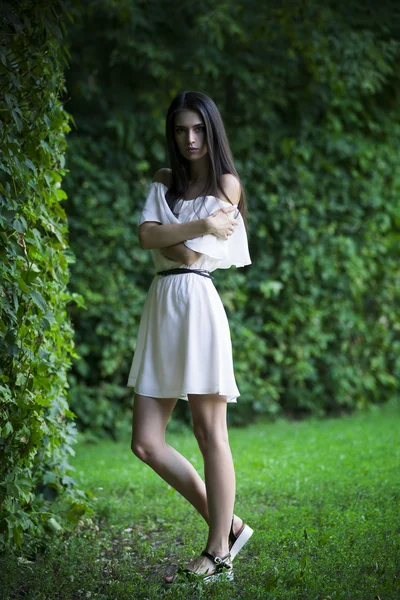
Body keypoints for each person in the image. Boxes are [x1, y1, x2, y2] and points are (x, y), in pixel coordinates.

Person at [127, 90, 253, 583]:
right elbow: (145, 238)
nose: (190, 139)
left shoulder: (227, 183)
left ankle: (218, 547)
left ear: (211, 130)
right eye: (180, 130)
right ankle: (233, 526)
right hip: (160, 306)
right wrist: (199, 223)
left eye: (198, 129)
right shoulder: (163, 180)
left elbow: (190, 255)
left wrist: (170, 229)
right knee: (145, 442)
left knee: (208, 432)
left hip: (196, 303)